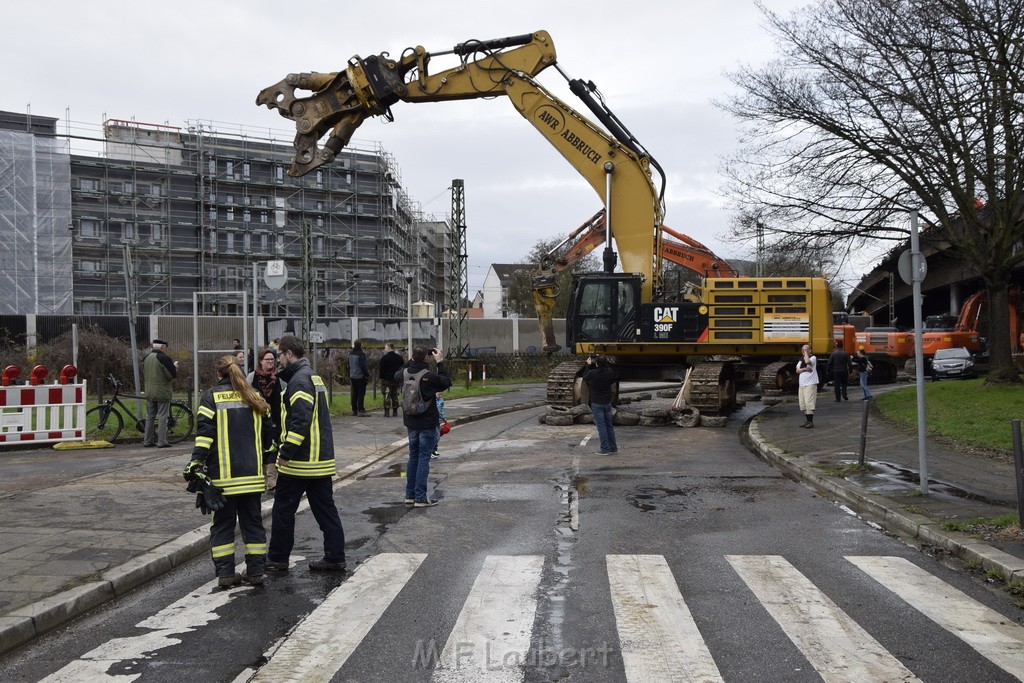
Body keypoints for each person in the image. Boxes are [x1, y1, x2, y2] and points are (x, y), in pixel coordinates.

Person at [185, 355, 272, 588]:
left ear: (218, 374)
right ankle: (255, 572)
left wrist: (195, 464)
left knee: (223, 526)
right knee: (253, 525)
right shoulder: (254, 396)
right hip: (252, 478)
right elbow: (268, 439)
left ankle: (225, 574)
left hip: (224, 479)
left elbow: (204, 436)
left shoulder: (211, 397)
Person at [266, 335, 347, 572]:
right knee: (326, 512)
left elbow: (300, 420)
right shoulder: (312, 376)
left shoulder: (299, 380)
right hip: (319, 461)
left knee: (283, 510)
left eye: (280, 354)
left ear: (289, 353)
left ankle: (278, 558)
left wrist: (286, 452)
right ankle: (335, 557)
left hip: (301, 462)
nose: (278, 359)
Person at [397, 346, 451, 507]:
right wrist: (440, 362)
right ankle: (420, 497)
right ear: (426, 359)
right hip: (427, 422)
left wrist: (412, 360)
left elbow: (397, 372)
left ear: (412, 357)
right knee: (423, 458)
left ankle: (410, 495)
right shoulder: (428, 376)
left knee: (413, 457)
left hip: (410, 422)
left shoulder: (403, 374)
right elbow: (446, 382)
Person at [248, 347, 286, 490]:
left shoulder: (280, 378)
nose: (271, 361)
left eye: (272, 359)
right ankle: (261, 477)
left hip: (276, 420)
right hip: (257, 420)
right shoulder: (252, 377)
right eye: (267, 359)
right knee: (259, 447)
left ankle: (271, 480)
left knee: (272, 448)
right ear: (260, 361)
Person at [142, 338, 178, 448]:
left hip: (149, 391)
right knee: (163, 416)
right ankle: (161, 441)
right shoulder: (164, 358)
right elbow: (171, 376)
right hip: (162, 392)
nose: (166, 349)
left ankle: (147, 440)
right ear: (162, 347)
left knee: (150, 416)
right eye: (166, 347)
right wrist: (175, 367)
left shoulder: (146, 358)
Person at [583, 354, 618, 454]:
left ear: (597, 364)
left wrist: (588, 365)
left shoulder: (592, 373)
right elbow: (612, 373)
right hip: (607, 403)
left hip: (597, 402)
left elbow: (585, 377)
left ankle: (605, 449)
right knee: (609, 426)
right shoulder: (609, 372)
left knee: (601, 427)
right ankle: (613, 448)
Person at [796, 343, 819, 428]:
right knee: (803, 403)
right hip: (802, 384)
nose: (803, 351)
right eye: (802, 350)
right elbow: (797, 370)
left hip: (810, 383)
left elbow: (807, 361)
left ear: (810, 350)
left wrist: (806, 353)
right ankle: (807, 421)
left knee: (809, 402)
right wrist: (805, 369)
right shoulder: (800, 360)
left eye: (805, 350)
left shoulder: (813, 357)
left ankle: (810, 422)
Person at [378, 342, 404, 417]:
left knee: (387, 395)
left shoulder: (384, 358)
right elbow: (402, 368)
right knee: (395, 395)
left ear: (389, 348)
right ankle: (395, 411)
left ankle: (386, 412)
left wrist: (382, 377)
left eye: (385, 348)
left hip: (387, 380)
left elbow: (381, 369)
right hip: (396, 380)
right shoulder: (399, 358)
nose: (384, 349)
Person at [348, 340, 369, 416]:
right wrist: (366, 374)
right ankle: (361, 410)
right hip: (360, 376)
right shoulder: (361, 354)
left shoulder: (351, 354)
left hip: (352, 375)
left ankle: (354, 410)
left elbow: (348, 364)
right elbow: (363, 366)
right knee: (361, 393)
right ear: (361, 345)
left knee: (355, 393)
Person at [431, 391, 447, 459]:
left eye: (441, 394)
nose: (440, 395)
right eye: (438, 394)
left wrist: (443, 418)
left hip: (438, 420)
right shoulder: (432, 401)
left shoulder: (441, 401)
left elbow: (441, 410)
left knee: (437, 436)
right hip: (432, 420)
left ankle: (435, 450)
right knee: (436, 436)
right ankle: (432, 451)